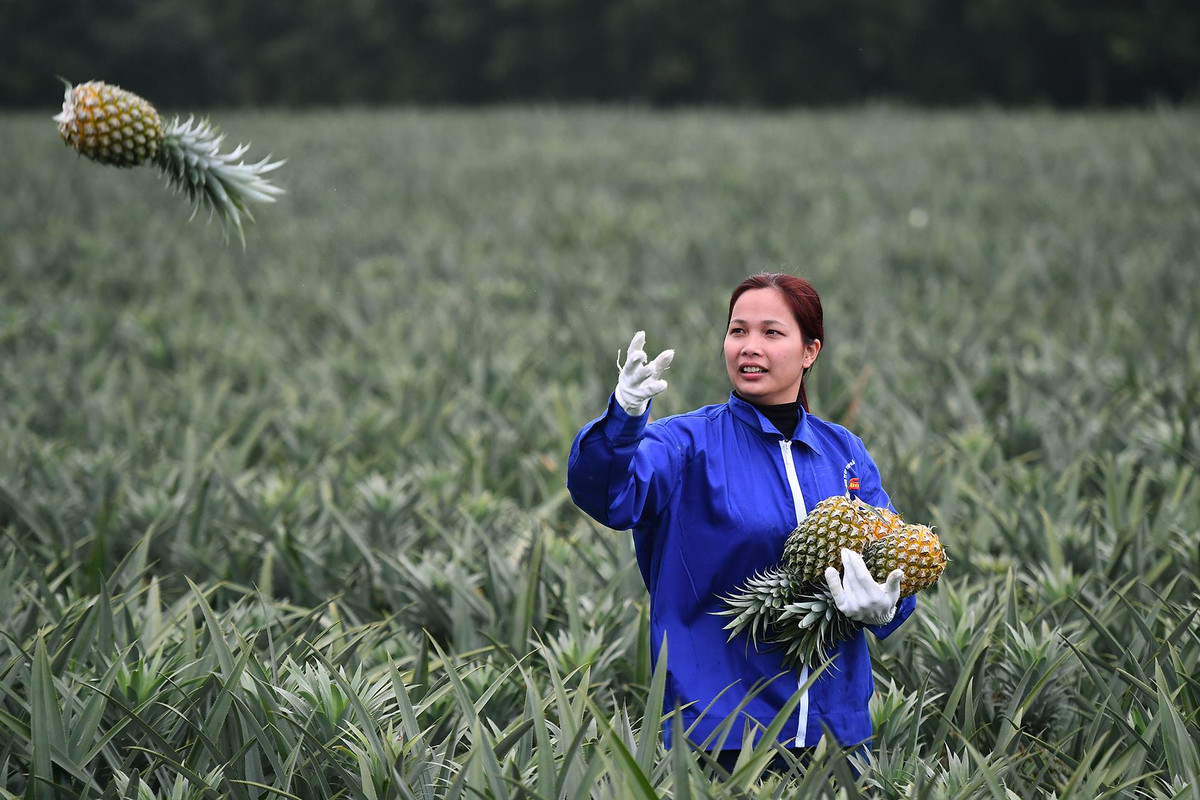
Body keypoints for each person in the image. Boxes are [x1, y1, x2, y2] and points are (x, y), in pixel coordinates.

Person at [566, 272, 915, 765]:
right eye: (738, 331)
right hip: (720, 732)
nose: (750, 346)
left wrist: (889, 606)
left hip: (836, 735)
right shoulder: (684, 444)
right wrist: (623, 418)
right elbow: (606, 495)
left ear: (810, 351)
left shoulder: (843, 451)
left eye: (771, 332)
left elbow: (894, 558)